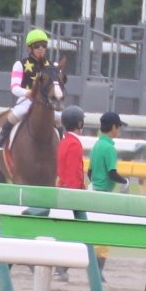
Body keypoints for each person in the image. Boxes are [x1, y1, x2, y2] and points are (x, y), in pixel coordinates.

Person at [0, 29, 55, 148]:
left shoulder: (52, 66)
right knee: (16, 114)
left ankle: (62, 143)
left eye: (44, 45)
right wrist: (30, 93)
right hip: (27, 101)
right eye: (37, 46)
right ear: (29, 48)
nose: (41, 48)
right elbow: (14, 88)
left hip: (47, 102)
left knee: (59, 118)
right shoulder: (20, 65)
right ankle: (0, 139)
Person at [88, 110, 130, 281]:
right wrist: (125, 181)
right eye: (118, 127)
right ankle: (98, 272)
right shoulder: (109, 148)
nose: (119, 130)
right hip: (104, 195)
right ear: (113, 127)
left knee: (90, 233)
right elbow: (112, 173)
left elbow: (90, 172)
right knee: (104, 236)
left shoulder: (97, 145)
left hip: (93, 192)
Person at [53, 105, 86, 282]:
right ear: (79, 123)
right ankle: (61, 269)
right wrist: (78, 194)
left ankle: (61, 268)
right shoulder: (74, 144)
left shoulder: (64, 141)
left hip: (63, 189)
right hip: (71, 193)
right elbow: (74, 173)